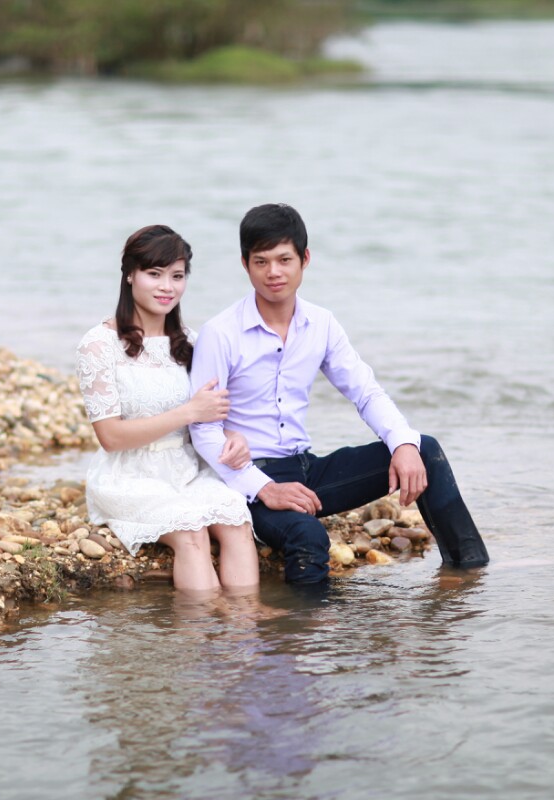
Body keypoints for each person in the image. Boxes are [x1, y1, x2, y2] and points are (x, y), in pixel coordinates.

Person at [188, 204, 489, 585]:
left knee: (424, 449)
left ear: (305, 259)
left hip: (306, 470)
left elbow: (365, 392)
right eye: (261, 262)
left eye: (284, 260)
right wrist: (263, 488)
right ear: (245, 264)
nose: (274, 272)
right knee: (308, 537)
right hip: (249, 478)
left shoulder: (321, 324)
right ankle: (306, 623)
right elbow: (203, 430)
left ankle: (468, 577)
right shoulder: (221, 333)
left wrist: (402, 443)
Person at [75, 224, 260, 592]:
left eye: (177, 276)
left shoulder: (192, 342)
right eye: (154, 274)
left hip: (189, 468)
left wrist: (235, 437)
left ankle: (245, 621)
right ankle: (202, 622)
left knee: (237, 522)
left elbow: (215, 412)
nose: (167, 287)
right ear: (130, 274)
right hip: (129, 475)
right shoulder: (99, 345)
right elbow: (110, 437)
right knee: (192, 533)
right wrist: (188, 412)